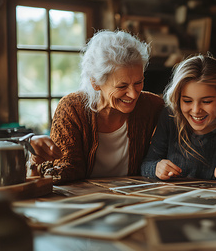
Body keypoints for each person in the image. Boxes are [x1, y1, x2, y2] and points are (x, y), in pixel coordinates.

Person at [27, 30, 164, 184]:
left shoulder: (153, 106)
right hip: (83, 201)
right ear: (95, 83)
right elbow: (66, 169)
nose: (133, 94)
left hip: (136, 199)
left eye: (138, 82)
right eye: (122, 86)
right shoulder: (71, 109)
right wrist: (37, 159)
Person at [141, 55, 216, 182]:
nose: (196, 110)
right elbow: (147, 164)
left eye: (206, 101)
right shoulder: (170, 117)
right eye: (187, 101)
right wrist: (156, 168)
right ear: (178, 98)